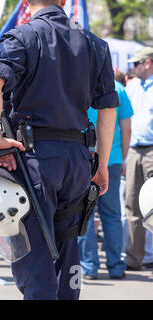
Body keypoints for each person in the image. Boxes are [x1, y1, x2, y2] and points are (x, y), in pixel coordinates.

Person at [0, 0, 118, 300]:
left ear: (27, 3)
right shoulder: (96, 44)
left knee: (34, 249)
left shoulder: (23, 37)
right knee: (68, 246)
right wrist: (102, 165)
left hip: (36, 159)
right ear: (64, 1)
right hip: (78, 160)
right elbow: (108, 110)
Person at [78, 80, 133, 280]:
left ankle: (89, 266)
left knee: (85, 213)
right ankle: (116, 266)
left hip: (83, 156)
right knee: (112, 214)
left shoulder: (81, 81)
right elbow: (126, 128)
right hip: (113, 159)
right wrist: (123, 157)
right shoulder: (118, 87)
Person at [124, 47, 153, 271]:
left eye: (136, 64)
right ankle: (134, 259)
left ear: (148, 63)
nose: (132, 69)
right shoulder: (132, 87)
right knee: (132, 206)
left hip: (152, 151)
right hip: (134, 151)